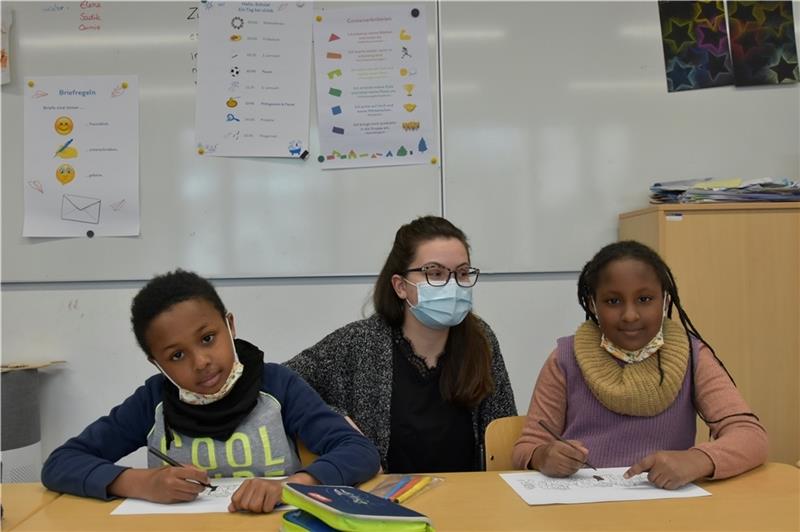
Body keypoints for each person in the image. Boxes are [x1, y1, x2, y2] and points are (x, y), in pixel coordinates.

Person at [41, 270, 380, 513]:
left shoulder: (278, 385)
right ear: (156, 363)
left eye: (207, 338)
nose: (201, 362)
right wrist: (141, 483)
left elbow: (359, 451)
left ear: (229, 325)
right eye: (176, 356)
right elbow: (60, 464)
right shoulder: (152, 401)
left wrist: (291, 485)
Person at [513, 241, 768, 489]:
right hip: (583, 508)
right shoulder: (565, 358)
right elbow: (527, 447)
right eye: (613, 301)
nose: (630, 315)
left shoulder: (693, 356)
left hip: (668, 509)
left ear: (665, 300)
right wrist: (542, 455)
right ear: (592, 303)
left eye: (645, 299)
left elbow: (750, 436)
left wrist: (698, 460)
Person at [286, 216, 517, 473]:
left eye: (462, 273)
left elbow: (503, 431)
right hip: (384, 501)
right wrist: (336, 419)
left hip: (468, 500)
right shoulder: (359, 342)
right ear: (400, 286)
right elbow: (281, 387)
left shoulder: (481, 338)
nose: (452, 285)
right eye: (435, 273)